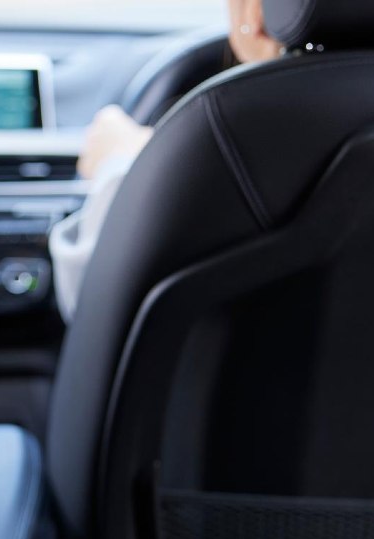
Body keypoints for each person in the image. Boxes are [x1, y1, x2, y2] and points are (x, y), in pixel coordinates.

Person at [50, 0, 283, 321]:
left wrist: (123, 169)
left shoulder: (228, 132)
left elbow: (95, 307)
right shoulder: (370, 104)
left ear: (253, 13)